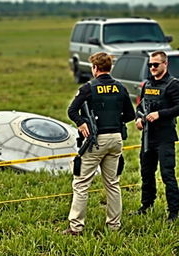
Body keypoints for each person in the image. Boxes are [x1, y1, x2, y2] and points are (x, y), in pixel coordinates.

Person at [62, 52, 135, 235]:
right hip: (116, 139)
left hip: (96, 141)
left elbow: (72, 110)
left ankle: (76, 227)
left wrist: (81, 122)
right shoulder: (120, 87)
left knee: (81, 184)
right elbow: (130, 115)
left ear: (95, 68)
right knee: (113, 183)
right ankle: (114, 226)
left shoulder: (88, 87)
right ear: (109, 67)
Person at [135, 51, 179, 222]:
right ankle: (146, 205)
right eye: (150, 65)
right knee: (146, 172)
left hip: (165, 136)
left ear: (165, 64)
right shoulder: (147, 85)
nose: (152, 68)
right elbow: (140, 106)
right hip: (148, 136)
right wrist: (139, 118)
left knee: (167, 174)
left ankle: (174, 212)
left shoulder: (173, 85)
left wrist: (160, 114)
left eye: (156, 64)